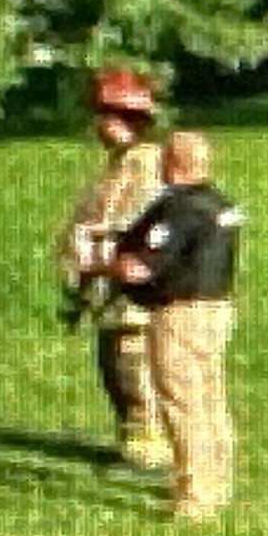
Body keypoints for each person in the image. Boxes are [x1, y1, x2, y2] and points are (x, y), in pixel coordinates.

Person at [106, 128, 245, 521]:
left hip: (179, 315)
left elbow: (139, 268)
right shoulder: (220, 205)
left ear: (172, 163)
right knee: (209, 397)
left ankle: (195, 496)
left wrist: (102, 264)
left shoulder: (178, 210)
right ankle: (218, 480)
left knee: (181, 402)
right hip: (217, 309)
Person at [56, 66, 169, 470]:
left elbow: (127, 222)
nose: (99, 126)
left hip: (133, 291)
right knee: (112, 365)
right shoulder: (118, 166)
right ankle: (132, 437)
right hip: (108, 287)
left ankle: (151, 444)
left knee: (133, 367)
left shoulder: (146, 165)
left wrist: (96, 247)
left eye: (105, 117)